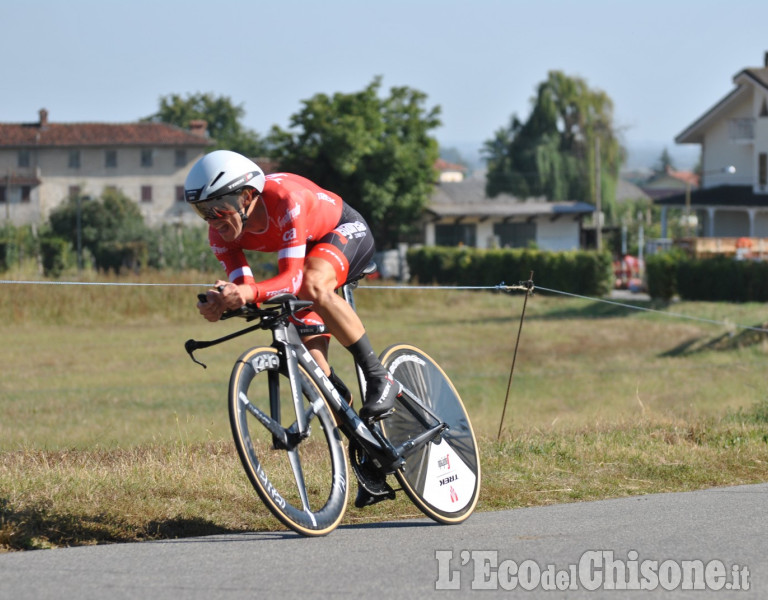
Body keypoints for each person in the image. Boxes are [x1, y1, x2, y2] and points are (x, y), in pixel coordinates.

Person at [184, 150, 399, 423]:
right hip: (306, 252)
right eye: (203, 211)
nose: (213, 220)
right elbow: (247, 289)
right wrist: (225, 302)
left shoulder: (286, 199)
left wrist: (249, 293)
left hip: (343, 229)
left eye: (219, 207)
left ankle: (378, 376)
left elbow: (293, 279)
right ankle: (361, 439)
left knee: (311, 283)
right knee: (321, 381)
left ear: (247, 196)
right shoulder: (220, 232)